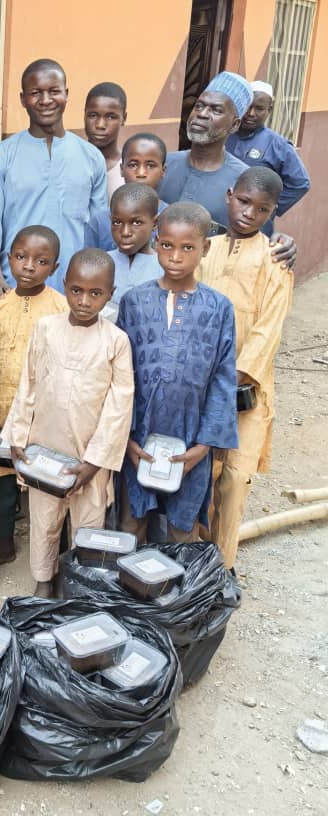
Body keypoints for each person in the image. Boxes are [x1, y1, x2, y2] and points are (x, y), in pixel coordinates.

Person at [3, 248, 134, 596]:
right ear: (64, 286)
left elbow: (119, 407)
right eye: (76, 290)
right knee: (44, 521)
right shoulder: (45, 328)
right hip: (45, 449)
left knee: (87, 523)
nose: (85, 301)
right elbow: (27, 383)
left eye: (96, 293)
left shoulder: (116, 341)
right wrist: (18, 436)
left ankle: (80, 584)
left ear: (110, 294)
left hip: (89, 456)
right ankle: (44, 580)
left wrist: (94, 462)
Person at [117, 202, 238, 543]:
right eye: (167, 245)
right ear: (155, 242)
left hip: (191, 436)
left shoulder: (219, 308)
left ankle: (176, 596)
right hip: (140, 433)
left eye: (188, 247)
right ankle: (131, 594)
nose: (175, 256)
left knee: (182, 528)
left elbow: (223, 378)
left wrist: (204, 445)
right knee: (132, 521)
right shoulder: (134, 302)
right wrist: (125, 438)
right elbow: (120, 375)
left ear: (205, 248)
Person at [198, 168, 293, 568]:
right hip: (198, 383)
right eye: (243, 202)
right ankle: (196, 555)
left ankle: (222, 565)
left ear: (272, 213)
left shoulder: (275, 261)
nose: (249, 213)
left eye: (262, 209)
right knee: (201, 475)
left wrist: (231, 379)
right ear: (229, 195)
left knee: (234, 478)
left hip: (244, 392)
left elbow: (266, 333)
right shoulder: (203, 248)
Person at [0, 58, 107, 296]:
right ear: (23, 99)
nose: (45, 100)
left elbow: (99, 227)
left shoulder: (91, 157)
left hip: (75, 292)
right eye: (35, 93)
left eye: (54, 91)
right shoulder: (0, 157)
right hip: (14, 288)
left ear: (66, 94)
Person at [0, 225, 67, 567]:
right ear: (9, 258)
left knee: (44, 483)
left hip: (43, 414)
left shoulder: (61, 308)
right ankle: (3, 543)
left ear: (54, 268)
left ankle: (51, 552)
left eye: (40, 260)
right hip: (2, 410)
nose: (29, 266)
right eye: (21, 257)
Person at [159, 71, 296, 264]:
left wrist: (281, 244)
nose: (202, 114)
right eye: (199, 106)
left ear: (234, 124)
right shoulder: (162, 164)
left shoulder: (244, 182)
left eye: (216, 110)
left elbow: (258, 247)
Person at [226, 80, 310, 218]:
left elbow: (300, 183)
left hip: (251, 222)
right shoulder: (224, 134)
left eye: (259, 108)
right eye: (247, 106)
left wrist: (266, 209)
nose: (251, 113)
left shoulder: (278, 145)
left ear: (269, 110)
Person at [85, 132, 168, 251]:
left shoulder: (173, 219)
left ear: (163, 171)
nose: (141, 173)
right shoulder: (100, 221)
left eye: (150, 166)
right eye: (133, 165)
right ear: (122, 169)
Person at [107, 184, 163, 315]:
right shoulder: (100, 264)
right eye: (117, 222)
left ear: (155, 223)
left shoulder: (165, 268)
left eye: (136, 223)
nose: (125, 232)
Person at [83, 81, 128, 201]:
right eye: (93, 115)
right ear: (84, 115)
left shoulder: (130, 170)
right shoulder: (71, 162)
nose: (100, 125)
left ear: (124, 118)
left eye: (111, 117)